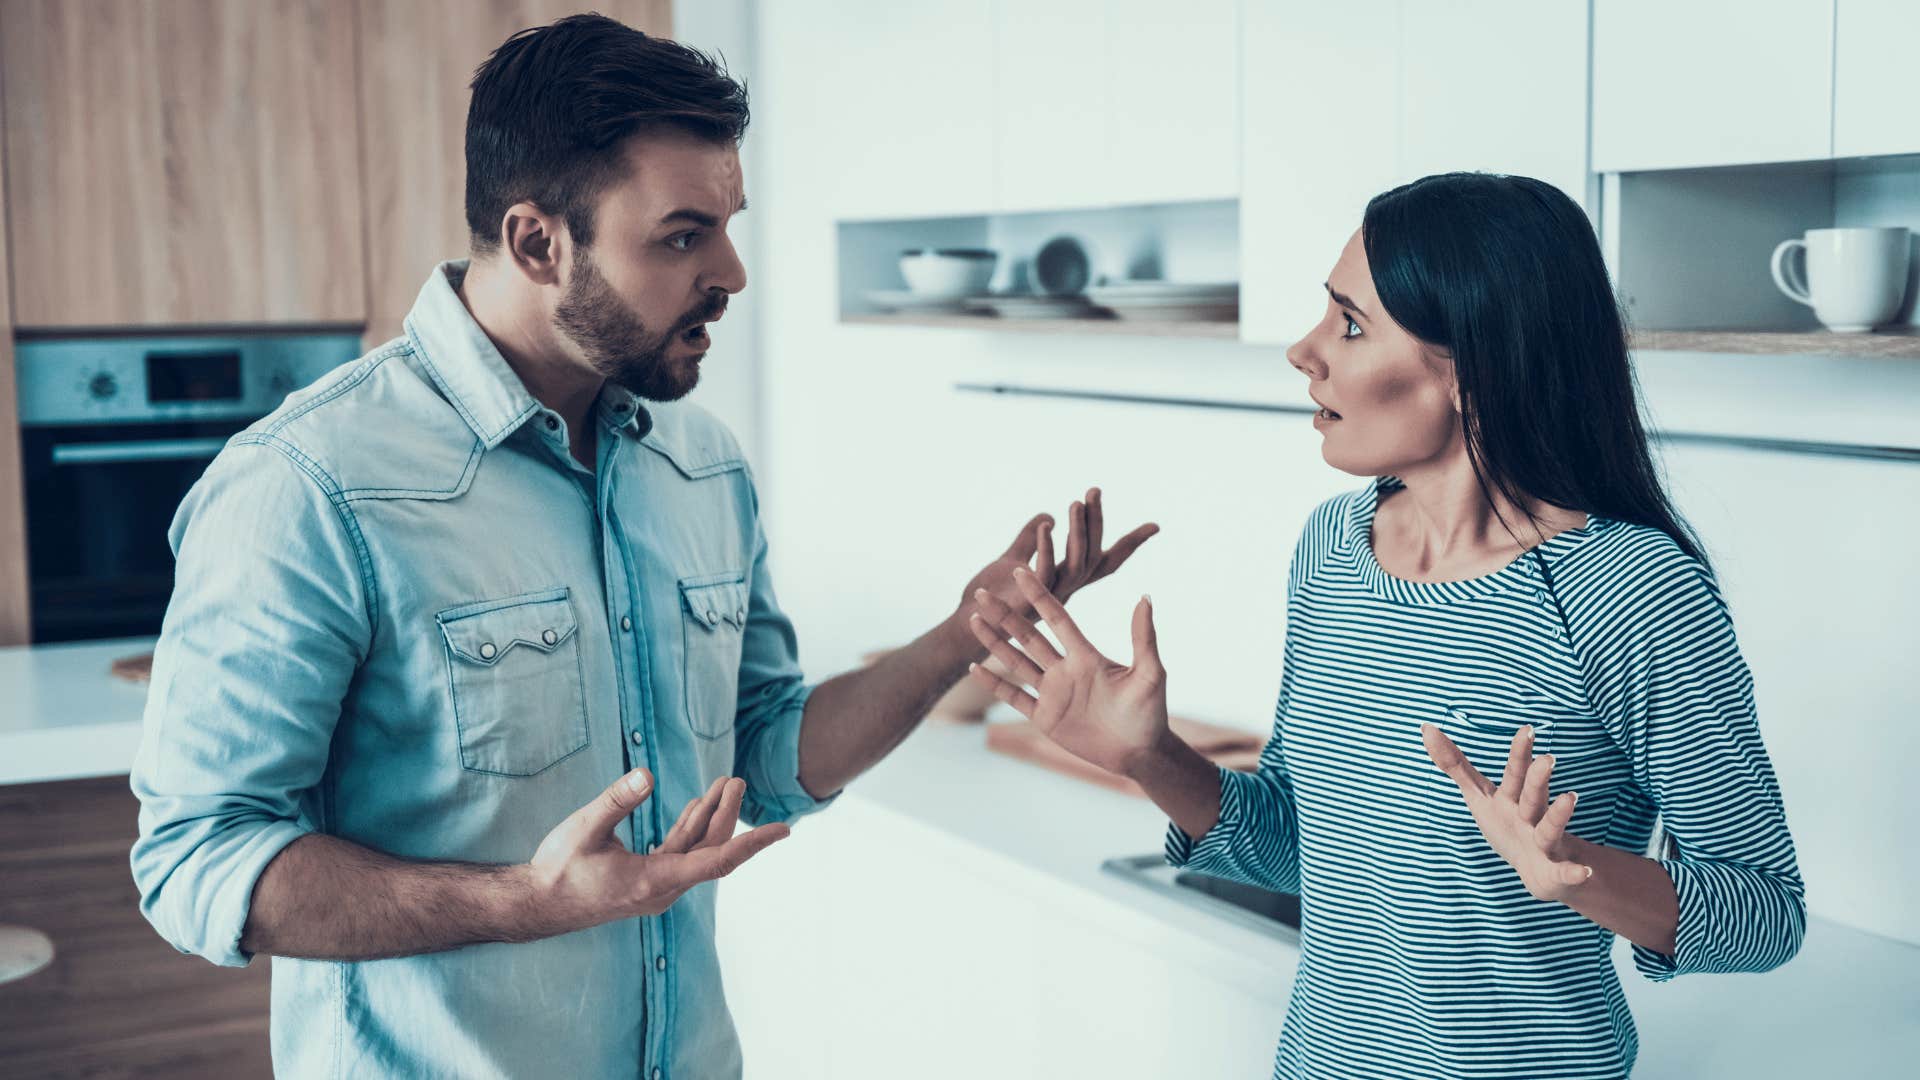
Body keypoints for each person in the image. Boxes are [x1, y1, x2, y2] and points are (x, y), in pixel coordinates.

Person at [128, 15, 1153, 1079]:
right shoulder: (309, 483)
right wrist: (524, 905)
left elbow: (761, 753)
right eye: (681, 235)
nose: (733, 273)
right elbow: (198, 860)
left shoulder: (699, 464)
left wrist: (959, 637)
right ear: (538, 243)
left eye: (728, 225)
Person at [966, 172, 1805, 1079]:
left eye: (1349, 324)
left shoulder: (1634, 593)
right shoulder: (1333, 548)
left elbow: (1766, 911)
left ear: (1470, 373)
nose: (1303, 350)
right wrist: (1149, 758)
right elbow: (1298, 845)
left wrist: (1580, 871)